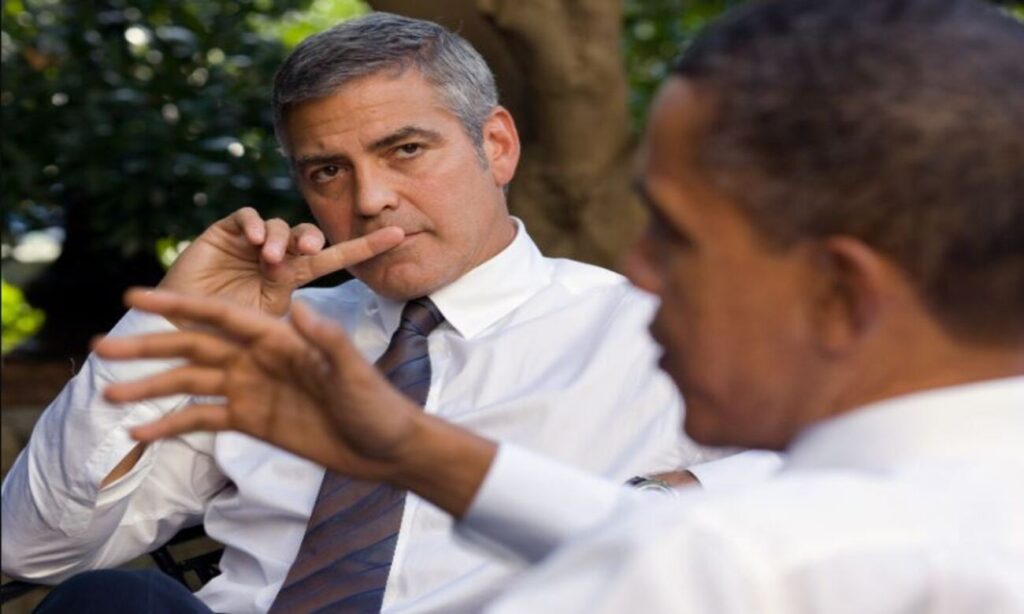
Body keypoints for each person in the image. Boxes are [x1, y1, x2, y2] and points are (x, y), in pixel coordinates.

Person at [81, 0, 1024, 611]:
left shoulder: (748, 559)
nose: (639, 277)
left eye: (677, 237)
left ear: (843, 287)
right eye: (327, 170)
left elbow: (696, 557)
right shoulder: (932, 508)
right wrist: (414, 450)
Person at [1, 12, 777, 614]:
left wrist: (649, 504)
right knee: (115, 602)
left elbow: (865, 495)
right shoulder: (269, 341)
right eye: (329, 170)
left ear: (496, 146)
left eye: (406, 150)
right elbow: (29, 551)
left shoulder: (654, 332)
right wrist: (169, 324)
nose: (369, 200)